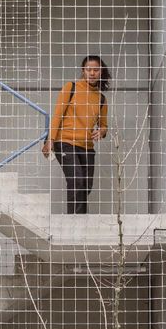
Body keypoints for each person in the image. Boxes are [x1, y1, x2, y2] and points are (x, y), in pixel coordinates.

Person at [42, 56, 110, 215]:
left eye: (96, 70)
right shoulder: (71, 87)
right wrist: (50, 140)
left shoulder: (101, 99)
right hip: (65, 142)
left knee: (86, 186)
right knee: (76, 180)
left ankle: (80, 220)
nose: (92, 73)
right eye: (88, 69)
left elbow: (103, 125)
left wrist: (102, 131)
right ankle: (74, 222)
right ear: (83, 71)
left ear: (101, 72)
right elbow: (57, 114)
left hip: (86, 147)